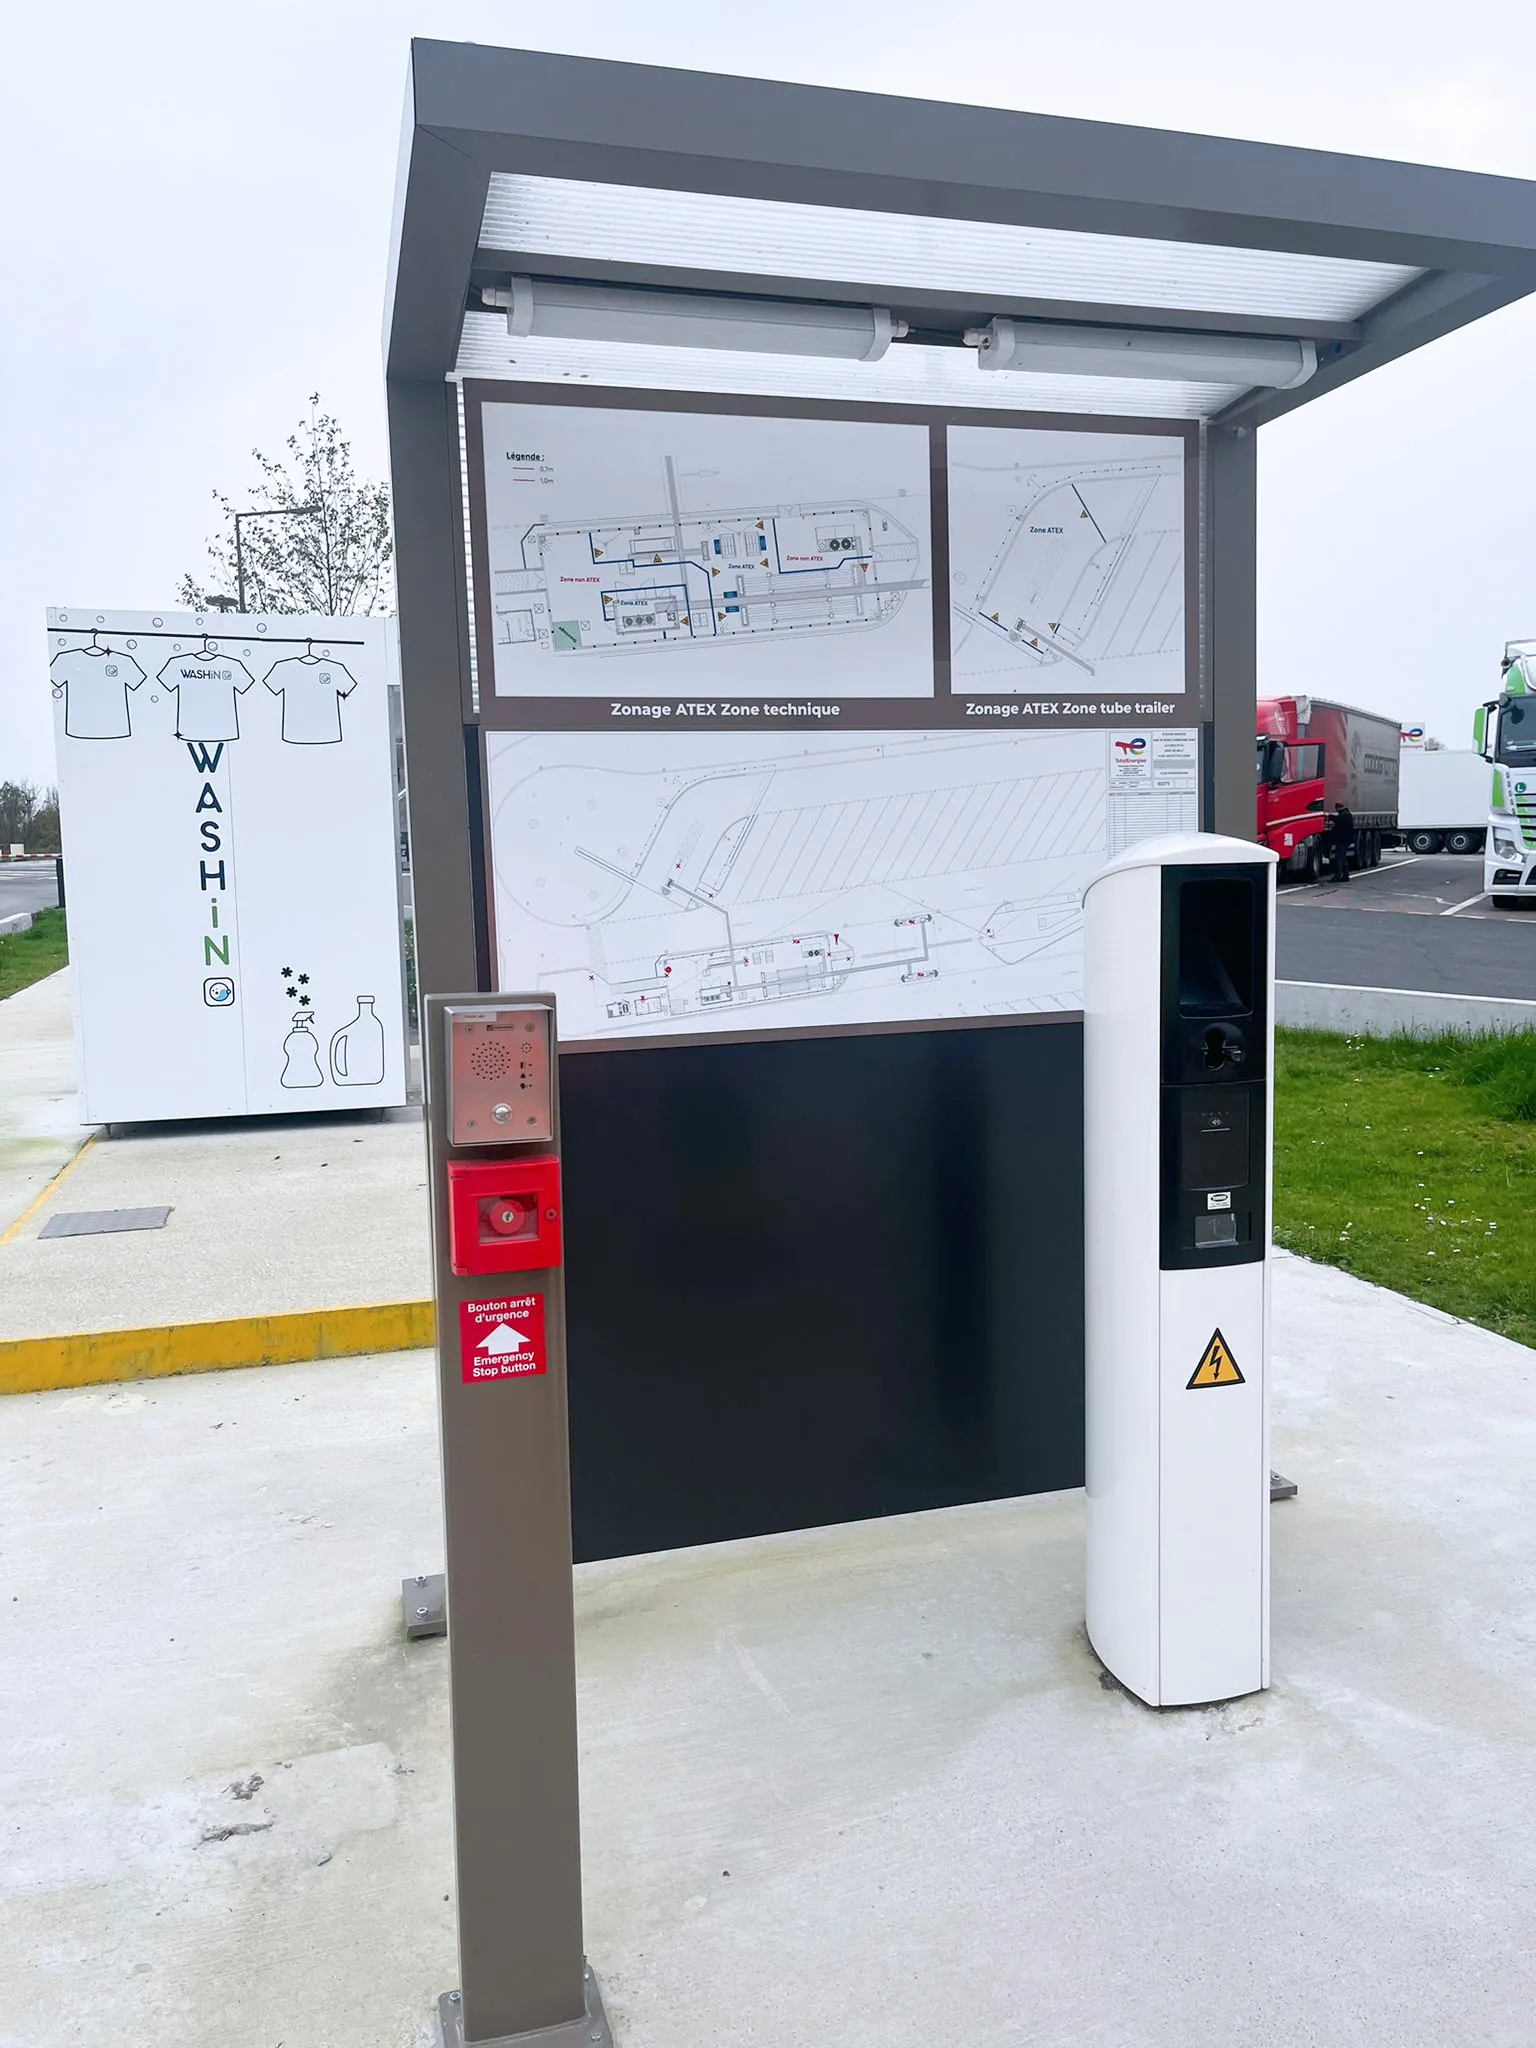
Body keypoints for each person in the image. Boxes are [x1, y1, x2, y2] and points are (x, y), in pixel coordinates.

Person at [1324, 804, 1355, 883]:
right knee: (1342, 857)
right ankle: (1345, 875)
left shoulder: (1344, 816)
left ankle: (1339, 875)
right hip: (1345, 840)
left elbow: (1338, 820)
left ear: (1338, 808)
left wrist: (1328, 816)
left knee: (1339, 857)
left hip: (1343, 840)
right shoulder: (1347, 815)